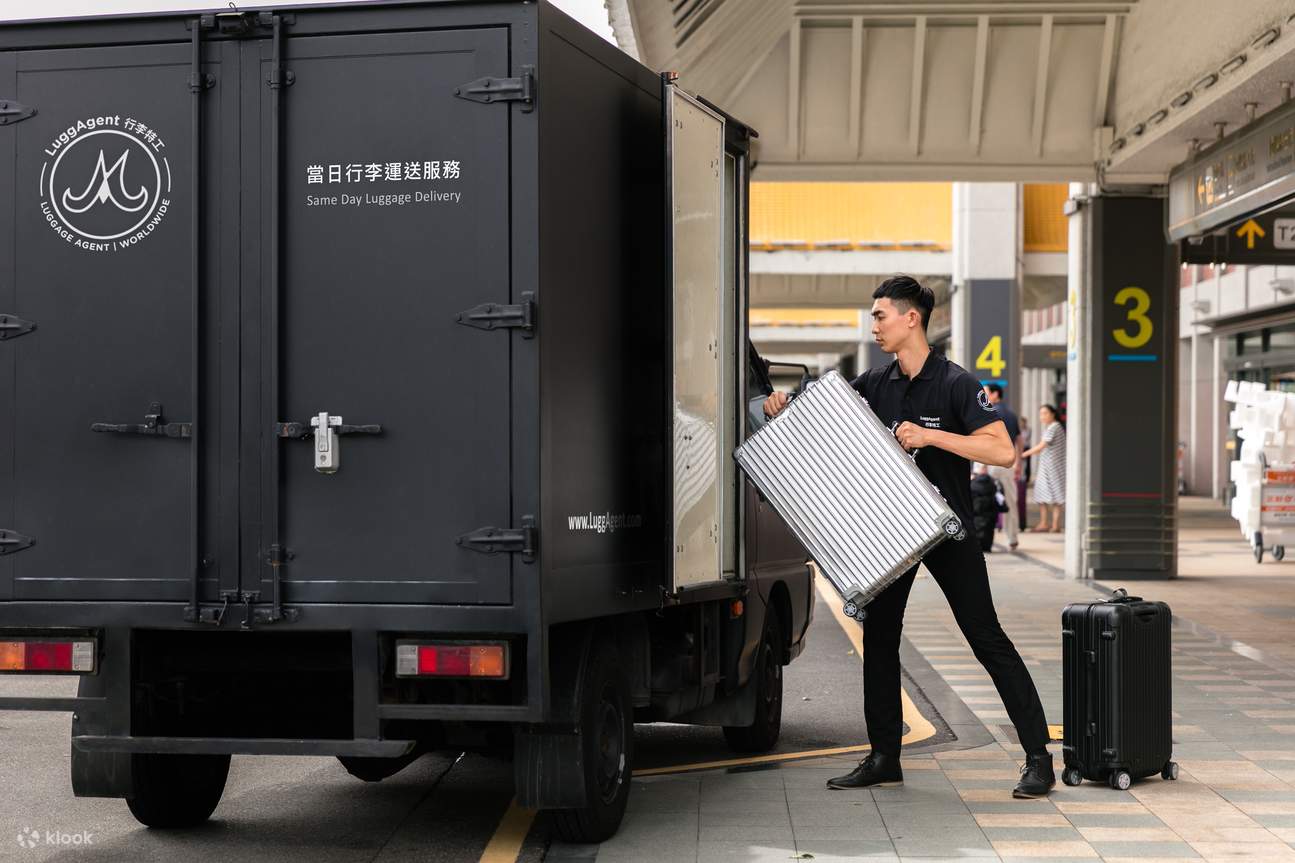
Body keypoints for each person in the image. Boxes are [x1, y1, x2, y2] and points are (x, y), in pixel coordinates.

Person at [764, 275, 1054, 799]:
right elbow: (823, 417)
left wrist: (929, 436)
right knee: (879, 639)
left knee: (985, 637)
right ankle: (884, 758)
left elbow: (1002, 451)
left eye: (880, 315)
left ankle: (1038, 758)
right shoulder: (875, 383)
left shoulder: (957, 383)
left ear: (911, 318)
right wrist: (785, 403)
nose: (873, 325)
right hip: (893, 535)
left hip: (949, 530)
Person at [981, 383, 1021, 551]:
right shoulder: (1011, 414)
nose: (983, 396)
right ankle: (1012, 538)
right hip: (1008, 463)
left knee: (982, 499)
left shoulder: (989, 411)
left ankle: (983, 534)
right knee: (1011, 500)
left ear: (995, 395)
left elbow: (985, 439)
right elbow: (1019, 440)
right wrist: (1018, 462)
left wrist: (981, 465)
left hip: (991, 461)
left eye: (986, 393)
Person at [1022, 404, 1065, 532]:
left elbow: (1041, 446)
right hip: (1050, 466)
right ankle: (1046, 523)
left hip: (1053, 468)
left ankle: (1053, 524)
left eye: (1045, 413)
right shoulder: (1053, 427)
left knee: (1056, 496)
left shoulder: (1054, 426)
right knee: (1044, 494)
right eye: (1041, 414)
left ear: (1053, 414)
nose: (1042, 416)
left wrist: (1023, 454)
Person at [969, 463, 1008, 552]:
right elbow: (1001, 499)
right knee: (989, 532)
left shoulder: (971, 482)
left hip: (976, 513)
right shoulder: (995, 483)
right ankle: (987, 546)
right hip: (990, 514)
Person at [1017, 416, 1032, 531]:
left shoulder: (1026, 431)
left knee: (1019, 499)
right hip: (1018, 472)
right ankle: (1021, 523)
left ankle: (1022, 523)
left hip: (1019, 473)